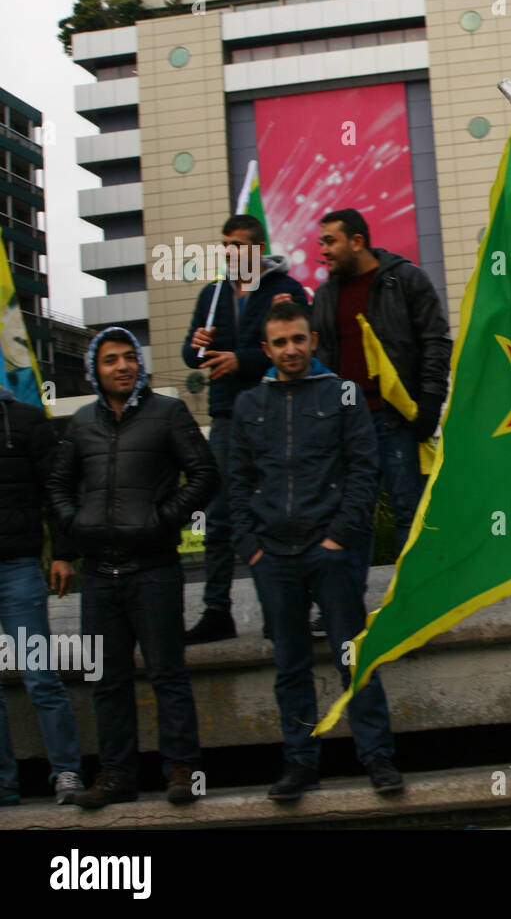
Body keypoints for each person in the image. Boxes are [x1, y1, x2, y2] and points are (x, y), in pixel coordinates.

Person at [228, 301, 402, 799]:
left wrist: (338, 539)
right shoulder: (248, 405)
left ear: (313, 341)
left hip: (330, 552)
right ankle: (300, 763)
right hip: (273, 558)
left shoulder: (343, 394)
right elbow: (236, 483)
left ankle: (378, 757)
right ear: (266, 349)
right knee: (291, 665)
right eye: (280, 342)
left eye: (298, 339)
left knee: (355, 658)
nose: (290, 349)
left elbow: (365, 472)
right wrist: (251, 549)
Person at [47, 328, 218, 809]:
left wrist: (163, 519)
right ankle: (117, 776)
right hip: (100, 577)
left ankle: (182, 770)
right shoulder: (80, 423)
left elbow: (206, 474)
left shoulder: (168, 412)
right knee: (108, 681)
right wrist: (73, 525)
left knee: (168, 675)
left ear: (139, 365)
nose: (122, 366)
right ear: (95, 371)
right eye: (110, 360)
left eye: (129, 358)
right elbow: (58, 484)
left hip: (155, 569)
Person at [181, 214, 308, 644]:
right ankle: (218, 611)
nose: (230, 253)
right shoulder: (212, 294)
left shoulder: (283, 290)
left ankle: (281, 612)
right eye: (226, 245)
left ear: (256, 249)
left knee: (275, 515)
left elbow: (295, 347)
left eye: (238, 245)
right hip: (225, 418)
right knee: (219, 518)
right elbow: (191, 356)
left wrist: (242, 360)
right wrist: (195, 346)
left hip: (274, 413)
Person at [312, 208, 451, 562]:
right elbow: (322, 359)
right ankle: (348, 613)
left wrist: (429, 407)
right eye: (321, 242)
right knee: (352, 519)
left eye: (330, 241)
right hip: (348, 424)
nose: (323, 250)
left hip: (398, 421)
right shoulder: (325, 295)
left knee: (410, 514)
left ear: (357, 242)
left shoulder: (405, 280)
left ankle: (415, 609)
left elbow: (435, 342)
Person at [0, 384, 83, 805]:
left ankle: (66, 772)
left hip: (18, 568)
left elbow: (57, 489)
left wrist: (64, 554)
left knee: (41, 679)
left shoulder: (28, 420)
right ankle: (4, 785)